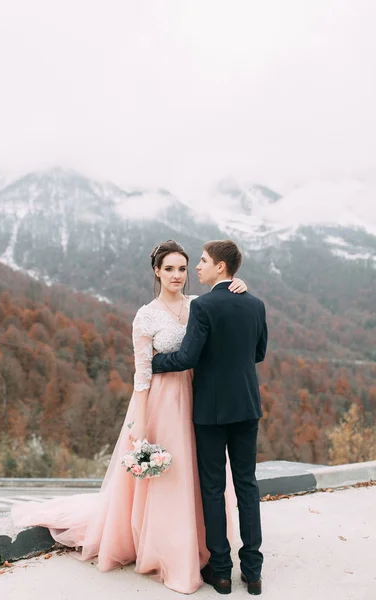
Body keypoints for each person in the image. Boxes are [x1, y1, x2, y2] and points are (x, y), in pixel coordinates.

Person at [12, 239, 247, 595]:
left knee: (205, 476)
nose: (177, 275)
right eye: (169, 269)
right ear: (156, 271)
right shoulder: (146, 315)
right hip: (163, 404)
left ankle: (209, 547)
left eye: (183, 268)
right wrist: (138, 423)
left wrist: (239, 288)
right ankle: (170, 549)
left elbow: (227, 313)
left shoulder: (201, 304)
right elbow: (142, 373)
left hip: (203, 399)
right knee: (172, 477)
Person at [152, 239, 267, 596]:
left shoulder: (202, 306)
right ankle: (253, 572)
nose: (196, 268)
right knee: (247, 485)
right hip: (247, 406)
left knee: (214, 490)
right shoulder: (256, 304)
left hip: (211, 411)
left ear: (221, 267)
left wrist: (153, 362)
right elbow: (259, 353)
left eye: (202, 262)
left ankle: (220, 572)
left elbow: (186, 357)